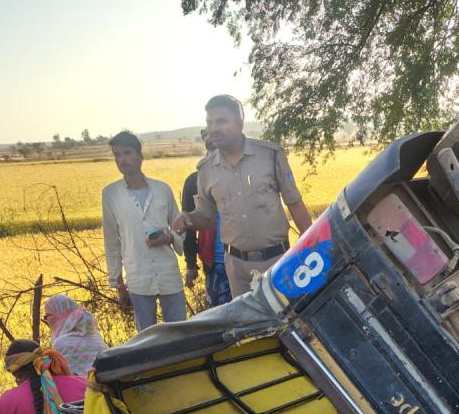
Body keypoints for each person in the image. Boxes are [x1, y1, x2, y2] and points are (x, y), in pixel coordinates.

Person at [172, 95, 313, 298]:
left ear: (240, 121)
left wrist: (311, 247)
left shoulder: (270, 155)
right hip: (237, 269)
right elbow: (205, 216)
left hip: (277, 261)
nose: (214, 129)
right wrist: (188, 218)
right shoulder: (206, 169)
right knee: (247, 319)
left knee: (289, 313)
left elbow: (294, 202)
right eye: (210, 123)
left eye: (221, 121)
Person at [101, 130, 187, 332]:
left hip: (168, 274)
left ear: (140, 156)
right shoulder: (111, 194)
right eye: (117, 154)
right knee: (146, 338)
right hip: (137, 277)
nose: (122, 159)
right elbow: (112, 241)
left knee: (179, 333)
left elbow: (180, 227)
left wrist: (169, 237)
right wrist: (118, 283)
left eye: (127, 153)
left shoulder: (162, 189)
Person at [182, 132, 232, 307]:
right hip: (214, 261)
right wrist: (191, 264)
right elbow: (189, 225)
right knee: (220, 315)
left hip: (245, 259)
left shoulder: (238, 174)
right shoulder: (193, 181)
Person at [43, 294, 107, 376]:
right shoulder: (96, 336)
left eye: (47, 316)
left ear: (59, 315)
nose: (46, 320)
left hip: (77, 384)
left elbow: (60, 375)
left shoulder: (61, 343)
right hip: (101, 383)